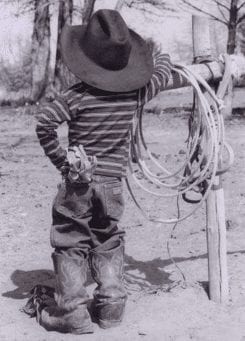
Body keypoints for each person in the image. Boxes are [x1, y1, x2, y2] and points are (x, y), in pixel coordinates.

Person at [35, 8, 173, 335]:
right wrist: (161, 56)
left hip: (78, 181)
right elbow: (162, 73)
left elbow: (44, 123)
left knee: (71, 241)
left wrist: (64, 162)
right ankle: (111, 306)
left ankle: (72, 313)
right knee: (107, 238)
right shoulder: (136, 93)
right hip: (111, 184)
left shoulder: (76, 96)